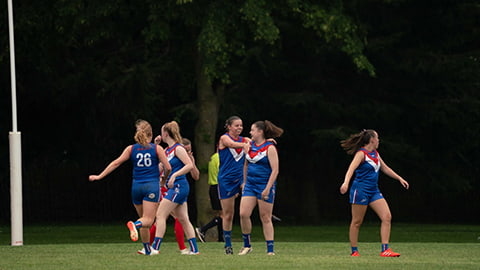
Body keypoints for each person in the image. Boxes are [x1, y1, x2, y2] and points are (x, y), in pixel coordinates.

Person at [88, 119, 171, 256]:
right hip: (151, 186)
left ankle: (146, 249)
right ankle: (134, 225)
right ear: (151, 134)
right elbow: (168, 167)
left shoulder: (131, 148)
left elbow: (115, 163)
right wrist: (164, 179)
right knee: (148, 220)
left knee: (143, 219)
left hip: (136, 187)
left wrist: (99, 176)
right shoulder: (157, 149)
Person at [340, 129, 409, 257]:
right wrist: (345, 183)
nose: (378, 140)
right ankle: (354, 251)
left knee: (387, 216)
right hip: (360, 190)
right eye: (377, 138)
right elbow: (351, 169)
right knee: (357, 221)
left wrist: (399, 178)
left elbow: (385, 168)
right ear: (372, 139)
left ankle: (385, 250)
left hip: (374, 191)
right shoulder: (361, 154)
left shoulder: (375, 153)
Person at [151, 121, 200, 255]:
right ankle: (194, 250)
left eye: (162, 132)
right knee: (184, 218)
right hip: (175, 187)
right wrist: (155, 145)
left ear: (166, 133)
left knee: (160, 214)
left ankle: (155, 248)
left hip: (179, 186)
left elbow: (189, 165)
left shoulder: (178, 148)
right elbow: (158, 167)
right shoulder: (167, 150)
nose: (161, 134)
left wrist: (174, 175)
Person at [238, 120, 283, 256]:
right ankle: (247, 245)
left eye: (252, 130)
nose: (250, 132)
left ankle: (270, 250)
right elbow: (246, 165)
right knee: (243, 214)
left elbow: (275, 170)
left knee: (265, 217)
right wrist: (244, 182)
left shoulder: (270, 147)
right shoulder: (249, 146)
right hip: (250, 185)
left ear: (260, 132)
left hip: (265, 185)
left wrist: (268, 188)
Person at [217, 116, 250, 254]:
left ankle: (247, 244)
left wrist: (268, 143)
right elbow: (231, 144)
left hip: (241, 180)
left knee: (245, 213)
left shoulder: (245, 140)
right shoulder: (224, 138)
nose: (239, 128)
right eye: (236, 125)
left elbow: (259, 143)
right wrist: (245, 145)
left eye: (241, 125)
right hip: (226, 181)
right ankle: (228, 245)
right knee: (228, 214)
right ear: (229, 127)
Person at [195, 151, 224, 243]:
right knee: (224, 215)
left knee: (220, 214)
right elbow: (222, 172)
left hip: (212, 186)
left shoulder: (213, 157)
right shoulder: (220, 157)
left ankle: (221, 238)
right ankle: (203, 229)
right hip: (219, 186)